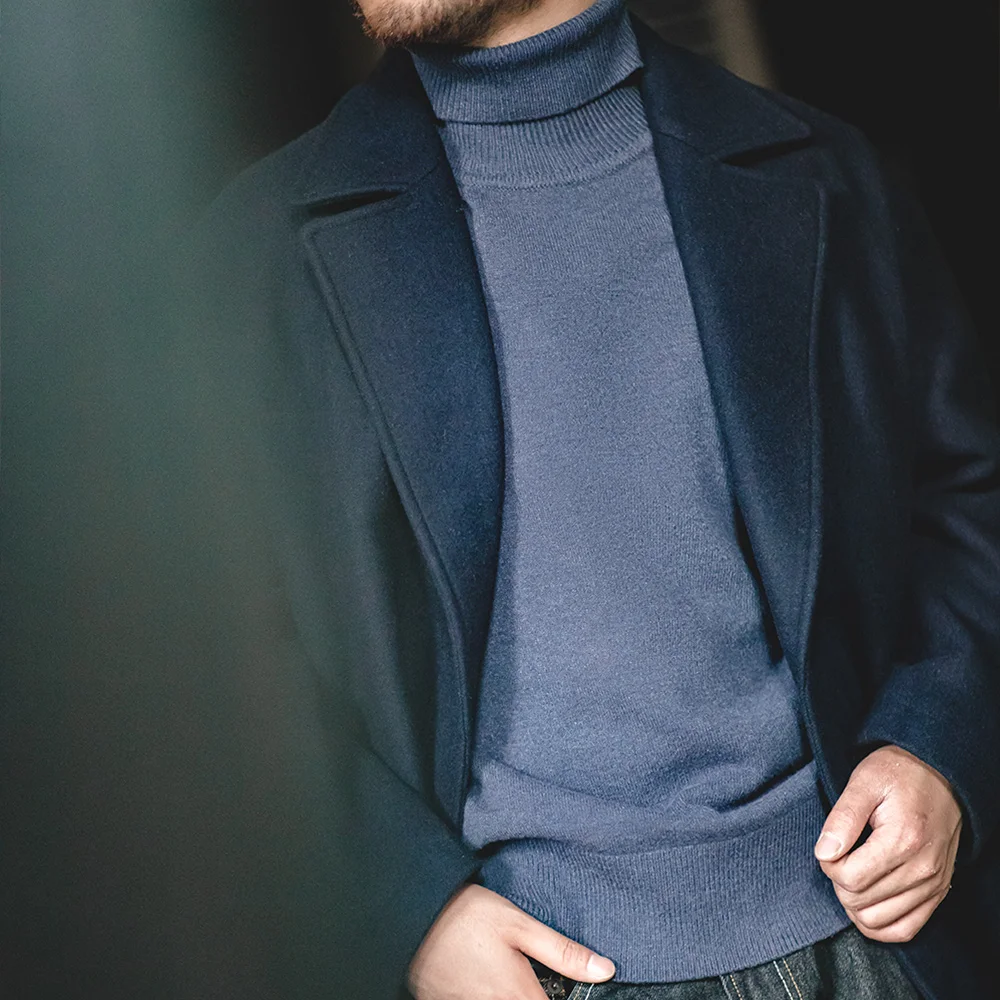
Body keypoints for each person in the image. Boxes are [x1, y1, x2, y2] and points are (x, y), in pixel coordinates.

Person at [193, 0, 1000, 998]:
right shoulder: (250, 252)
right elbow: (205, 649)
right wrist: (403, 906)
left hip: (877, 945)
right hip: (524, 971)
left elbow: (964, 498)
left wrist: (937, 746)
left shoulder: (831, 172)